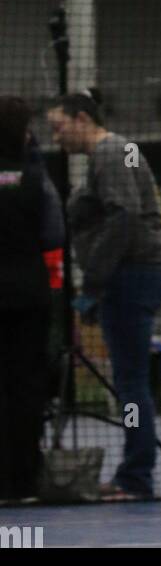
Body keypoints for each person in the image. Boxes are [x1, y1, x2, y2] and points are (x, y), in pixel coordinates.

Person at [48, 91, 161, 502]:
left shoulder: (112, 153)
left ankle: (135, 477)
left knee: (131, 382)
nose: (56, 136)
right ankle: (134, 473)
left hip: (132, 275)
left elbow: (125, 216)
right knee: (131, 380)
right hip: (136, 274)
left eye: (59, 126)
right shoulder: (119, 153)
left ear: (81, 118)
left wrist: (93, 284)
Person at [0, 97, 65, 503]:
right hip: (27, 297)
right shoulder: (35, 178)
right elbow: (55, 234)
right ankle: (22, 482)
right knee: (26, 387)